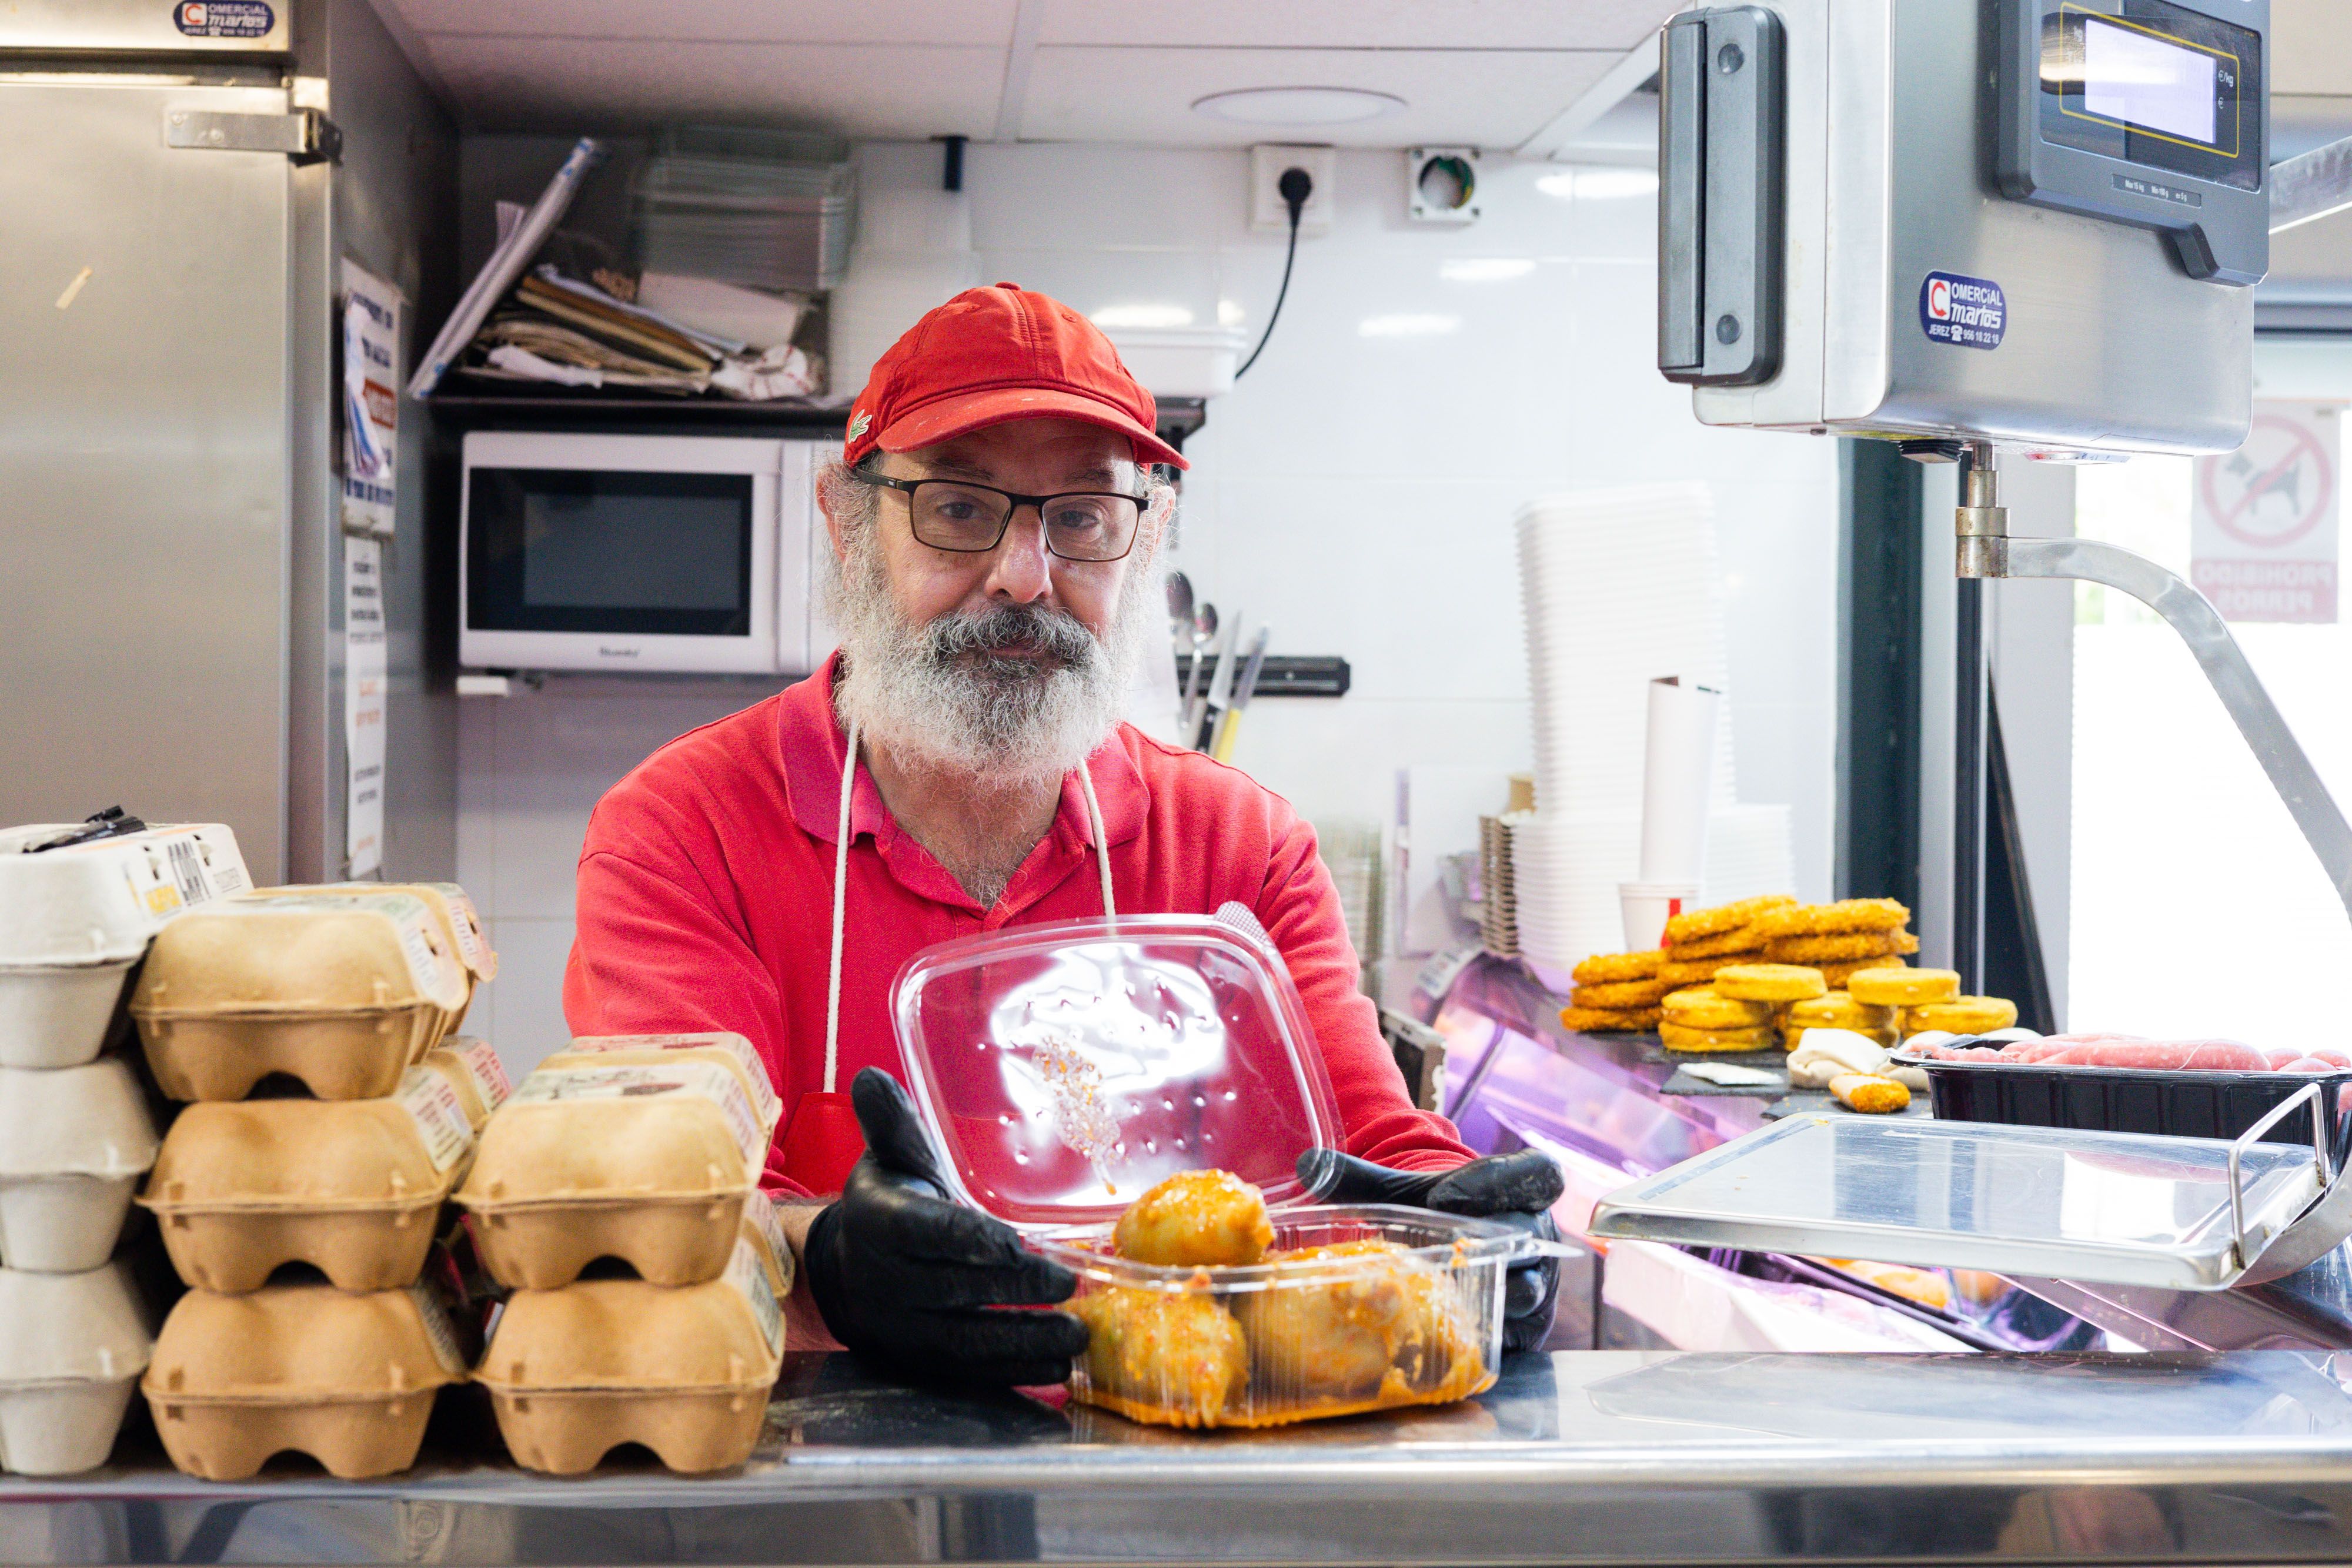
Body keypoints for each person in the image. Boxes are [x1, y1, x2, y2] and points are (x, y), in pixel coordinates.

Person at [564, 283, 1561, 1384]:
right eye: (957, 508)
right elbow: (656, 1214)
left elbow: (1368, 1150)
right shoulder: (684, 833)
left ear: (1145, 542)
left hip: (1169, 1483)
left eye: (1081, 519)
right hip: (818, 1501)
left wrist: (1472, 1232)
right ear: (850, 528)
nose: (1024, 577)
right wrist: (827, 1259)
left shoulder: (1238, 847)